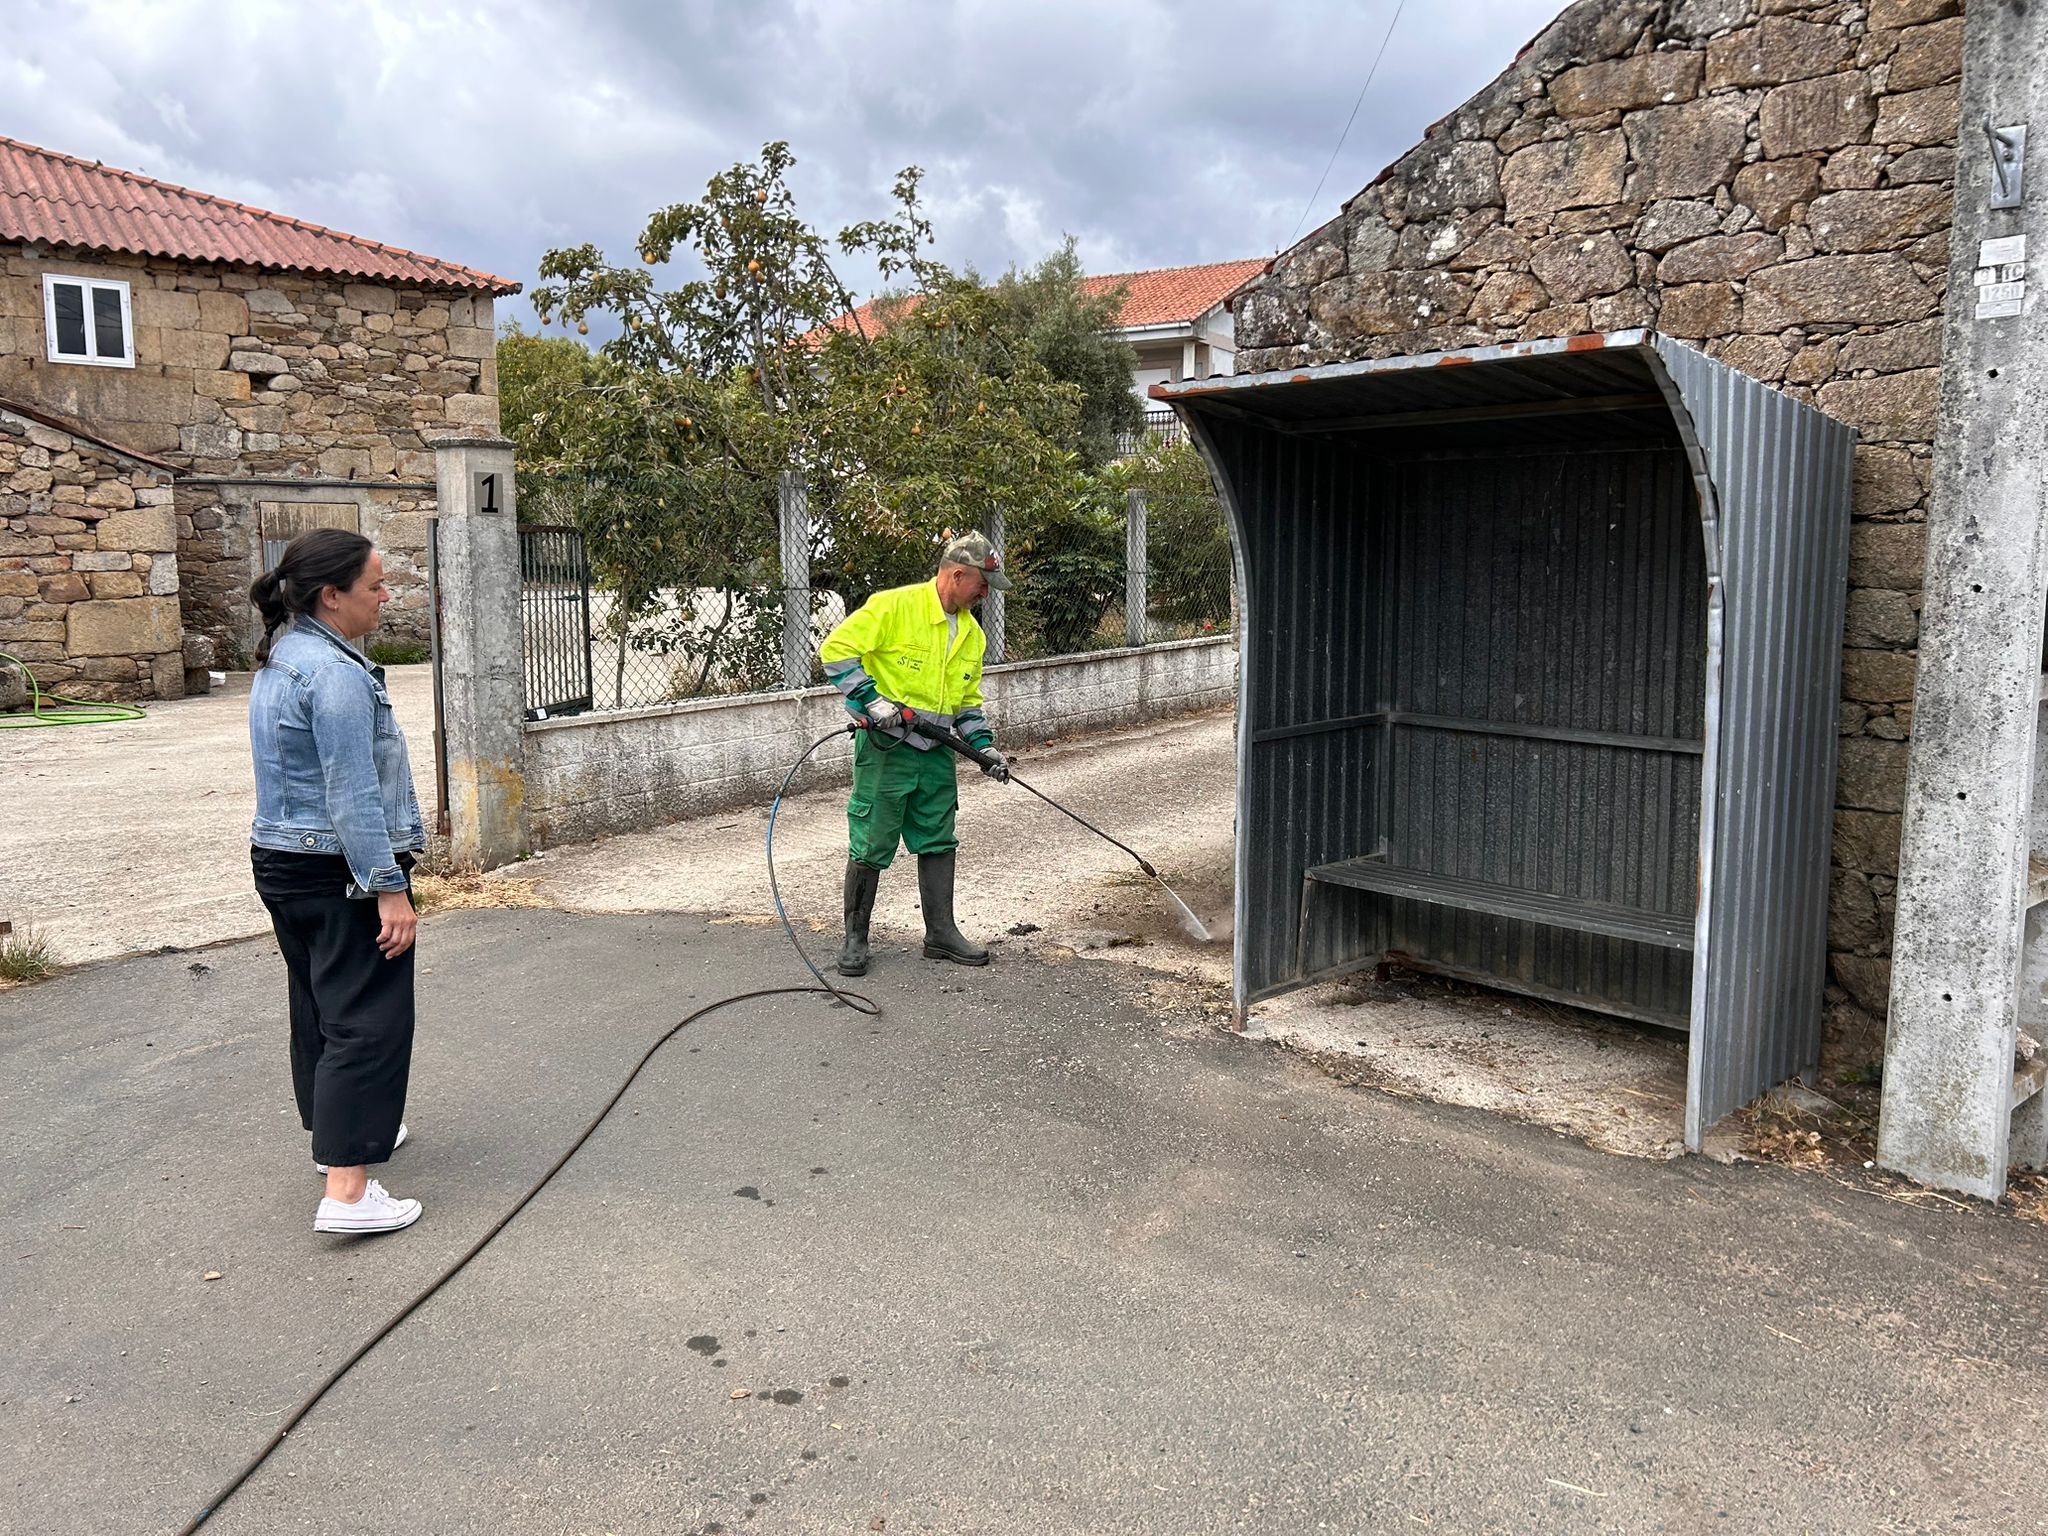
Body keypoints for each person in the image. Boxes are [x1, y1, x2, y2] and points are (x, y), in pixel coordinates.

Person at [247, 529, 427, 1235]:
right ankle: (349, 1191)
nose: (387, 596)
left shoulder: (284, 655)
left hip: (283, 860)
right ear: (332, 595)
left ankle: (336, 1135)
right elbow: (352, 794)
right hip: (338, 868)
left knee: (322, 1002)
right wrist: (388, 886)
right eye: (376, 585)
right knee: (368, 1018)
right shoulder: (335, 676)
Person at [819, 530, 1015, 976]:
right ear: (957, 573)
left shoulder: (971, 634)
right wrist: (871, 699)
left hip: (936, 754)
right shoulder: (895, 606)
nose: (986, 593)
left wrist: (985, 748)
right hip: (888, 748)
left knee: (938, 838)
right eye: (982, 584)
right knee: (872, 839)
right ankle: (855, 938)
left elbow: (967, 702)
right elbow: (836, 650)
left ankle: (940, 933)